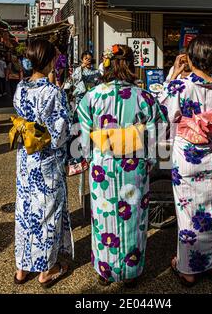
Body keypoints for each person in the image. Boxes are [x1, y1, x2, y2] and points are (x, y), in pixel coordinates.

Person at [77, 44, 166, 287]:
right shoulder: (144, 96)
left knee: (104, 217)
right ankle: (131, 271)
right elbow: (158, 128)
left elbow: (85, 136)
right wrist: (150, 158)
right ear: (132, 65)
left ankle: (105, 271)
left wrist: (88, 156)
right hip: (134, 165)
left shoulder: (92, 96)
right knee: (133, 219)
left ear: (107, 65)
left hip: (102, 167)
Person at [159, 35, 212, 286]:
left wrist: (174, 73)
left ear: (191, 57)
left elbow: (165, 112)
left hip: (188, 157)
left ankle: (188, 269)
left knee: (188, 212)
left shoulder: (181, 86)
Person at [13, 38, 72, 287]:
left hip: (25, 157)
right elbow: (59, 133)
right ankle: (47, 269)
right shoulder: (53, 92)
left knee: (25, 209)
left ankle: (22, 266)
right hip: (46, 159)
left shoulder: (21, 87)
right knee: (47, 211)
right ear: (49, 60)